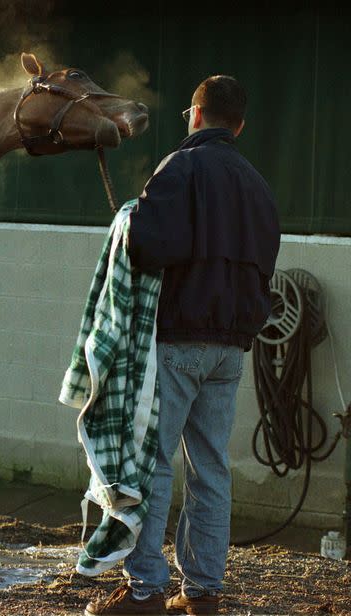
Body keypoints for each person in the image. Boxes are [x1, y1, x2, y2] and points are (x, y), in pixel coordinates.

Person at [85, 76, 280, 615]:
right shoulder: (259, 185)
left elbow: (148, 245)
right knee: (211, 467)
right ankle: (202, 593)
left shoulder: (181, 166)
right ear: (238, 125)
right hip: (231, 348)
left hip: (177, 340)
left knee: (152, 464)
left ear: (195, 116)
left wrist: (129, 216)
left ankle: (145, 588)